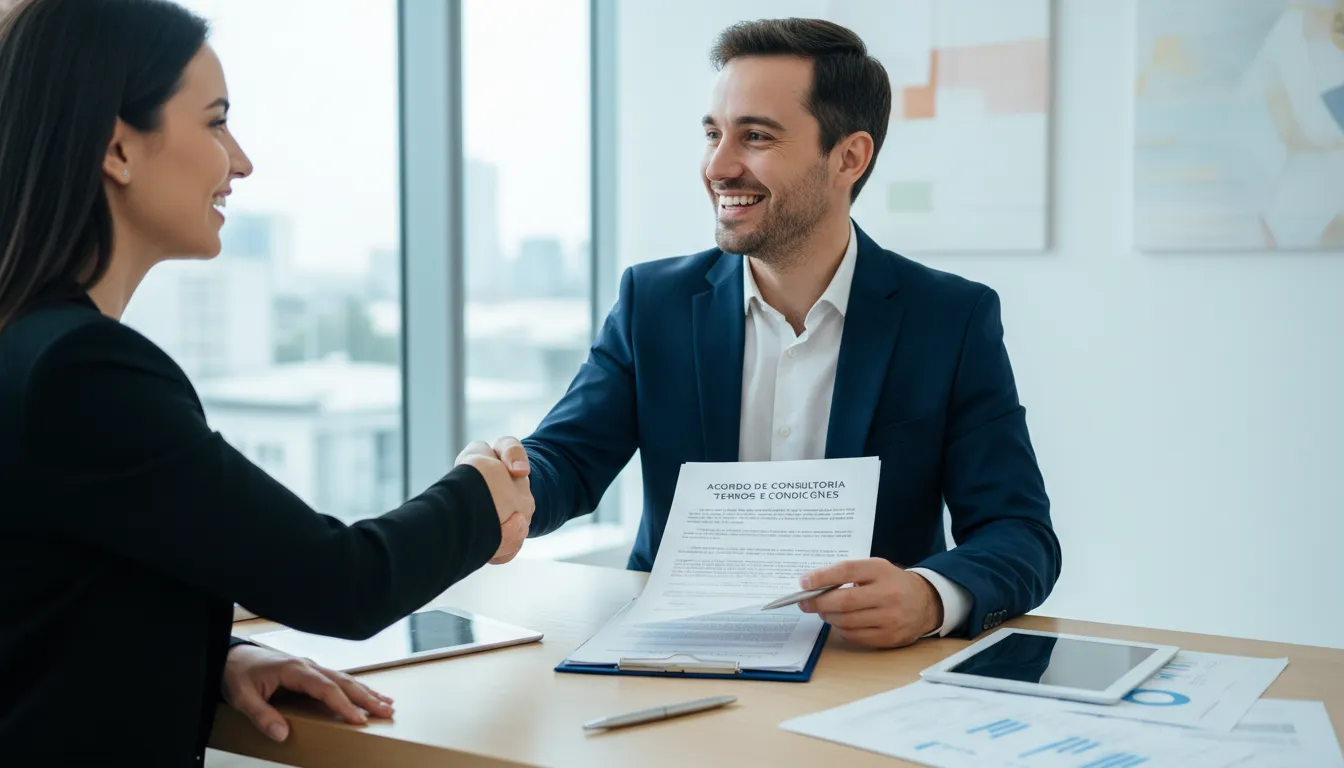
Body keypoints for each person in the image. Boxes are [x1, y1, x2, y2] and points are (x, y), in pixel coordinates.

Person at [0, 0, 532, 763]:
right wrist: (479, 490)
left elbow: (53, 592)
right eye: (216, 123)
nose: (240, 161)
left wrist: (215, 658)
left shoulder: (27, 347)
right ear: (117, 147)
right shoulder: (80, 372)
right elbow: (342, 582)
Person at [469, 18, 1061, 650]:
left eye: (755, 136)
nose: (718, 166)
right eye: (713, 134)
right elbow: (568, 459)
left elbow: (1019, 533)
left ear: (849, 157)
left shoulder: (949, 319)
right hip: (676, 653)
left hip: (864, 668)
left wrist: (929, 595)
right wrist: (512, 485)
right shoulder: (653, 304)